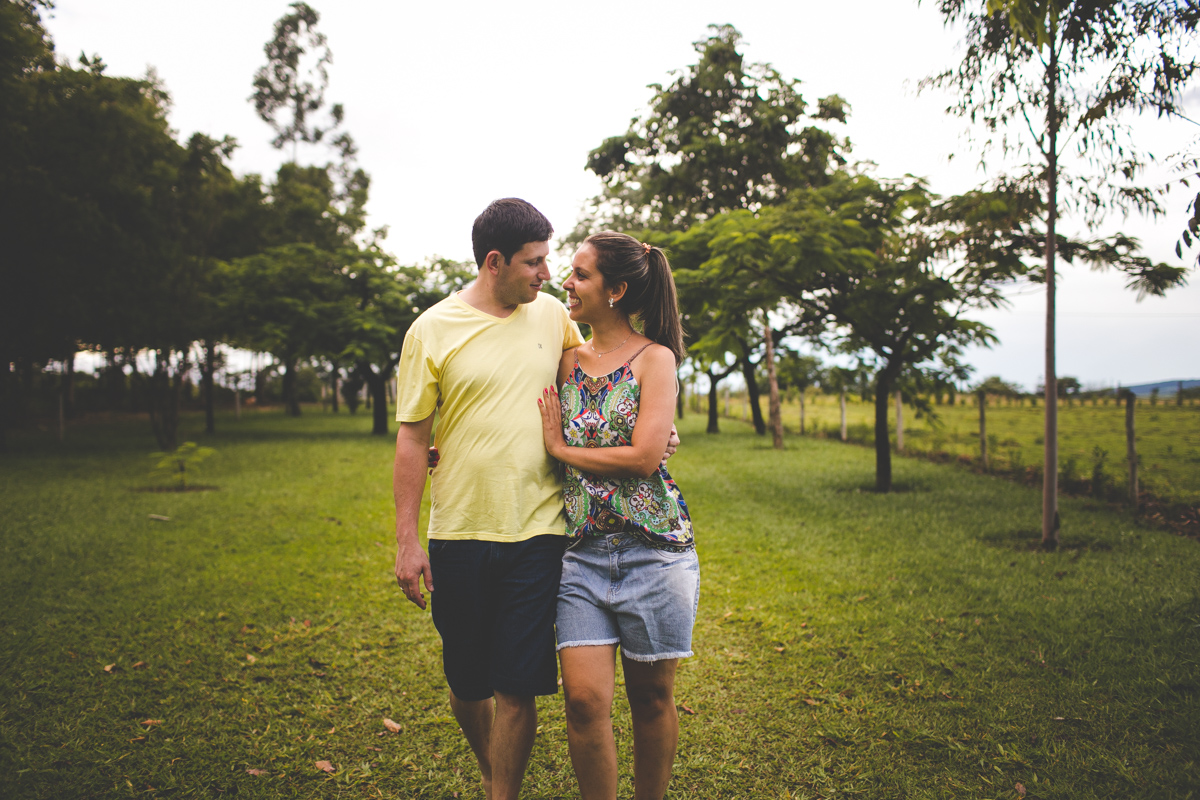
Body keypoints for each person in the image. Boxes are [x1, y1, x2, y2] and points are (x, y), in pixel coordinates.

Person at [391, 201, 676, 800]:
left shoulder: (552, 318)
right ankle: (492, 771)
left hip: (542, 534)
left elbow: (613, 370)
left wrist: (659, 433)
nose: (548, 275)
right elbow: (414, 435)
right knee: (468, 683)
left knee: (517, 685)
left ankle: (503, 795)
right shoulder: (432, 329)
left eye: (553, 262)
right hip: (460, 531)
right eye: (536, 262)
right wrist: (407, 541)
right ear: (495, 262)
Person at [536, 232, 698, 800]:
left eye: (580, 274)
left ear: (617, 290)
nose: (567, 282)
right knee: (583, 701)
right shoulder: (563, 363)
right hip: (581, 555)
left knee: (651, 699)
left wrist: (564, 451)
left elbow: (645, 456)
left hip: (653, 553)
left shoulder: (656, 360)